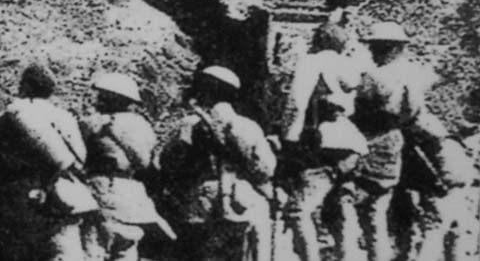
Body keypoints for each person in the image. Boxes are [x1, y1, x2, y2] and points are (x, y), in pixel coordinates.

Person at [0, 63, 96, 261]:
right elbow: (80, 158)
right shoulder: (65, 116)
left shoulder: (15, 111)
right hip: (64, 193)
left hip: (19, 196)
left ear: (27, 86)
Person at [159, 66, 277, 261]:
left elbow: (169, 164)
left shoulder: (187, 125)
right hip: (243, 198)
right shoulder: (247, 126)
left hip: (200, 201)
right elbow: (266, 169)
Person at [280, 19, 370, 261]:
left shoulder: (312, 61)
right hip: (352, 142)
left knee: (299, 210)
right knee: (340, 207)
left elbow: (296, 103)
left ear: (319, 40)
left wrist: (289, 141)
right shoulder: (352, 66)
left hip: (323, 140)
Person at [353, 21, 440, 261]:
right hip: (404, 140)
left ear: (389, 48)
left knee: (371, 210)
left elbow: (356, 110)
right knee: (404, 205)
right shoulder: (416, 73)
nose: (372, 51)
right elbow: (414, 110)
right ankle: (405, 252)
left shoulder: (374, 77)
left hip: (376, 142)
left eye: (376, 47)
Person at [80, 71, 173, 261]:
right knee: (126, 250)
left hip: (100, 191)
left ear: (110, 97)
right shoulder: (142, 125)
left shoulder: (93, 123)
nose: (98, 99)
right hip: (133, 195)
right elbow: (146, 162)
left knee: (94, 249)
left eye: (102, 95)